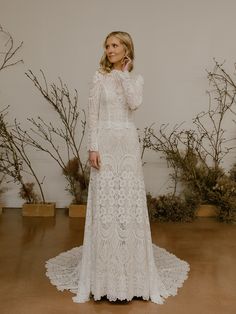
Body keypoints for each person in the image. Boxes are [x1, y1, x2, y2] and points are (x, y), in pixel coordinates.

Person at [45, 31, 190, 304]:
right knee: (107, 204)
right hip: (106, 145)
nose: (109, 50)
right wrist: (93, 147)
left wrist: (124, 75)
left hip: (127, 146)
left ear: (126, 50)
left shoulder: (135, 80)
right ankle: (103, 274)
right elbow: (93, 116)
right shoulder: (99, 78)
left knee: (128, 204)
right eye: (107, 46)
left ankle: (131, 272)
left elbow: (134, 103)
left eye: (115, 45)